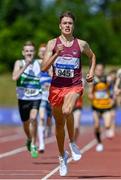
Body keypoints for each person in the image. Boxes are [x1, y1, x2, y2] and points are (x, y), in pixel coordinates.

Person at [41, 11, 96, 176]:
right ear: (60, 26)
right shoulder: (52, 44)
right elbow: (44, 68)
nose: (67, 25)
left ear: (73, 26)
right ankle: (61, 155)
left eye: (70, 23)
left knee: (67, 111)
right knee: (59, 125)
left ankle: (72, 142)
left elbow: (92, 57)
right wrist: (56, 54)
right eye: (64, 23)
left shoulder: (81, 44)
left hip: (74, 85)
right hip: (56, 88)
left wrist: (91, 71)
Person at [12, 41, 41, 158]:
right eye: (27, 51)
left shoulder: (39, 63)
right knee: (25, 123)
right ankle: (29, 139)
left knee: (33, 118)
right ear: (23, 52)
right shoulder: (19, 63)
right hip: (23, 98)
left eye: (31, 51)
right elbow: (14, 77)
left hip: (36, 96)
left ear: (34, 52)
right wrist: (26, 65)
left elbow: (50, 69)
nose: (29, 53)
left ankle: (34, 143)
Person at [88, 63, 114, 152]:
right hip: (96, 106)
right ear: (95, 70)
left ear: (103, 70)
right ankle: (99, 143)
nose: (99, 71)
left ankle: (108, 129)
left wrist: (112, 97)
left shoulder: (107, 79)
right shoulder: (93, 80)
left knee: (107, 125)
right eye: (97, 69)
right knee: (96, 125)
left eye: (100, 69)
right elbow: (90, 93)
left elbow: (112, 90)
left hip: (106, 106)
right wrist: (90, 95)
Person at [37, 44, 52, 153]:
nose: (43, 53)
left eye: (44, 51)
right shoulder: (35, 64)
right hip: (40, 96)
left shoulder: (51, 63)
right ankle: (41, 144)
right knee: (41, 118)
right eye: (41, 51)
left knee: (49, 119)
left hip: (51, 97)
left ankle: (49, 128)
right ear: (38, 53)